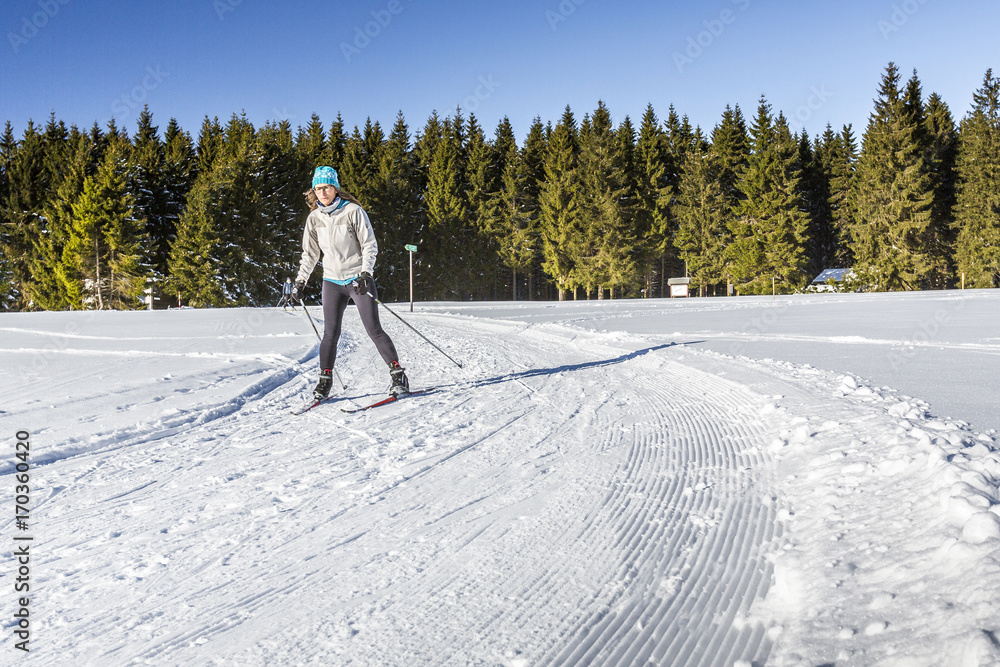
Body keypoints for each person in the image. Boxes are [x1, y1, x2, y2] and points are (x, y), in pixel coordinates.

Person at [292, 166, 409, 400]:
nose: (322, 192)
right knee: (330, 334)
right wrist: (300, 281)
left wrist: (366, 273)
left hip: (358, 280)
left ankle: (398, 375)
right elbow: (310, 254)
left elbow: (369, 245)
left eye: (326, 187)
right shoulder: (314, 218)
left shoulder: (353, 211)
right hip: (331, 282)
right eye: (318, 188)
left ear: (335, 188)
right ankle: (325, 382)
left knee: (373, 329)